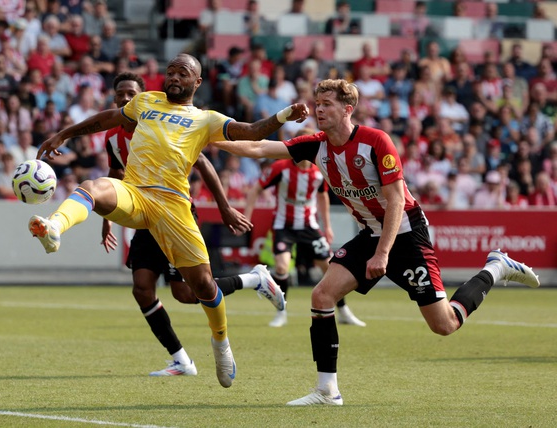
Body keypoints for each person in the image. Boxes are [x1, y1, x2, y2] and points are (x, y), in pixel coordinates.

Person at [210, 78, 540, 405]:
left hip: (406, 233)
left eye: (327, 105)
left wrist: (383, 252)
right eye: (317, 103)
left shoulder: (376, 141)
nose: (318, 110)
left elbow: (396, 201)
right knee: (322, 295)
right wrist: (206, 137)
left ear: (347, 109)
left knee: (444, 324)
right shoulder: (316, 144)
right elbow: (255, 147)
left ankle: (496, 267)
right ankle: (327, 391)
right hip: (371, 233)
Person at [28, 53, 309, 388]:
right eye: (170, 71)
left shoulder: (205, 119)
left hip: (174, 207)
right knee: (93, 187)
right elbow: (107, 119)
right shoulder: (146, 102)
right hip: (137, 196)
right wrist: (64, 134)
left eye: (183, 73)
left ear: (197, 82)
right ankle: (54, 228)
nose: (174, 76)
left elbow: (252, 131)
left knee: (201, 288)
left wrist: (285, 115)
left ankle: (221, 342)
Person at [100, 71, 285, 376]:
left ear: (144, 96)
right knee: (142, 290)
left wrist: (224, 207)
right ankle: (181, 360)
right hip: (141, 213)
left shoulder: (164, 121)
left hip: (174, 213)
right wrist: (107, 220)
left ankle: (254, 280)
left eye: (131, 93)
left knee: (187, 294)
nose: (125, 99)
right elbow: (115, 176)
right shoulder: (113, 137)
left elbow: (203, 162)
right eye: (120, 94)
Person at [244, 151, 366, 328]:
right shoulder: (280, 168)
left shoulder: (318, 171)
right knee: (281, 267)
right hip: (283, 225)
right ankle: (281, 312)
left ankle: (344, 311)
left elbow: (323, 196)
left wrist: (328, 226)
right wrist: (246, 216)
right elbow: (256, 189)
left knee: (330, 266)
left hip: (309, 226)